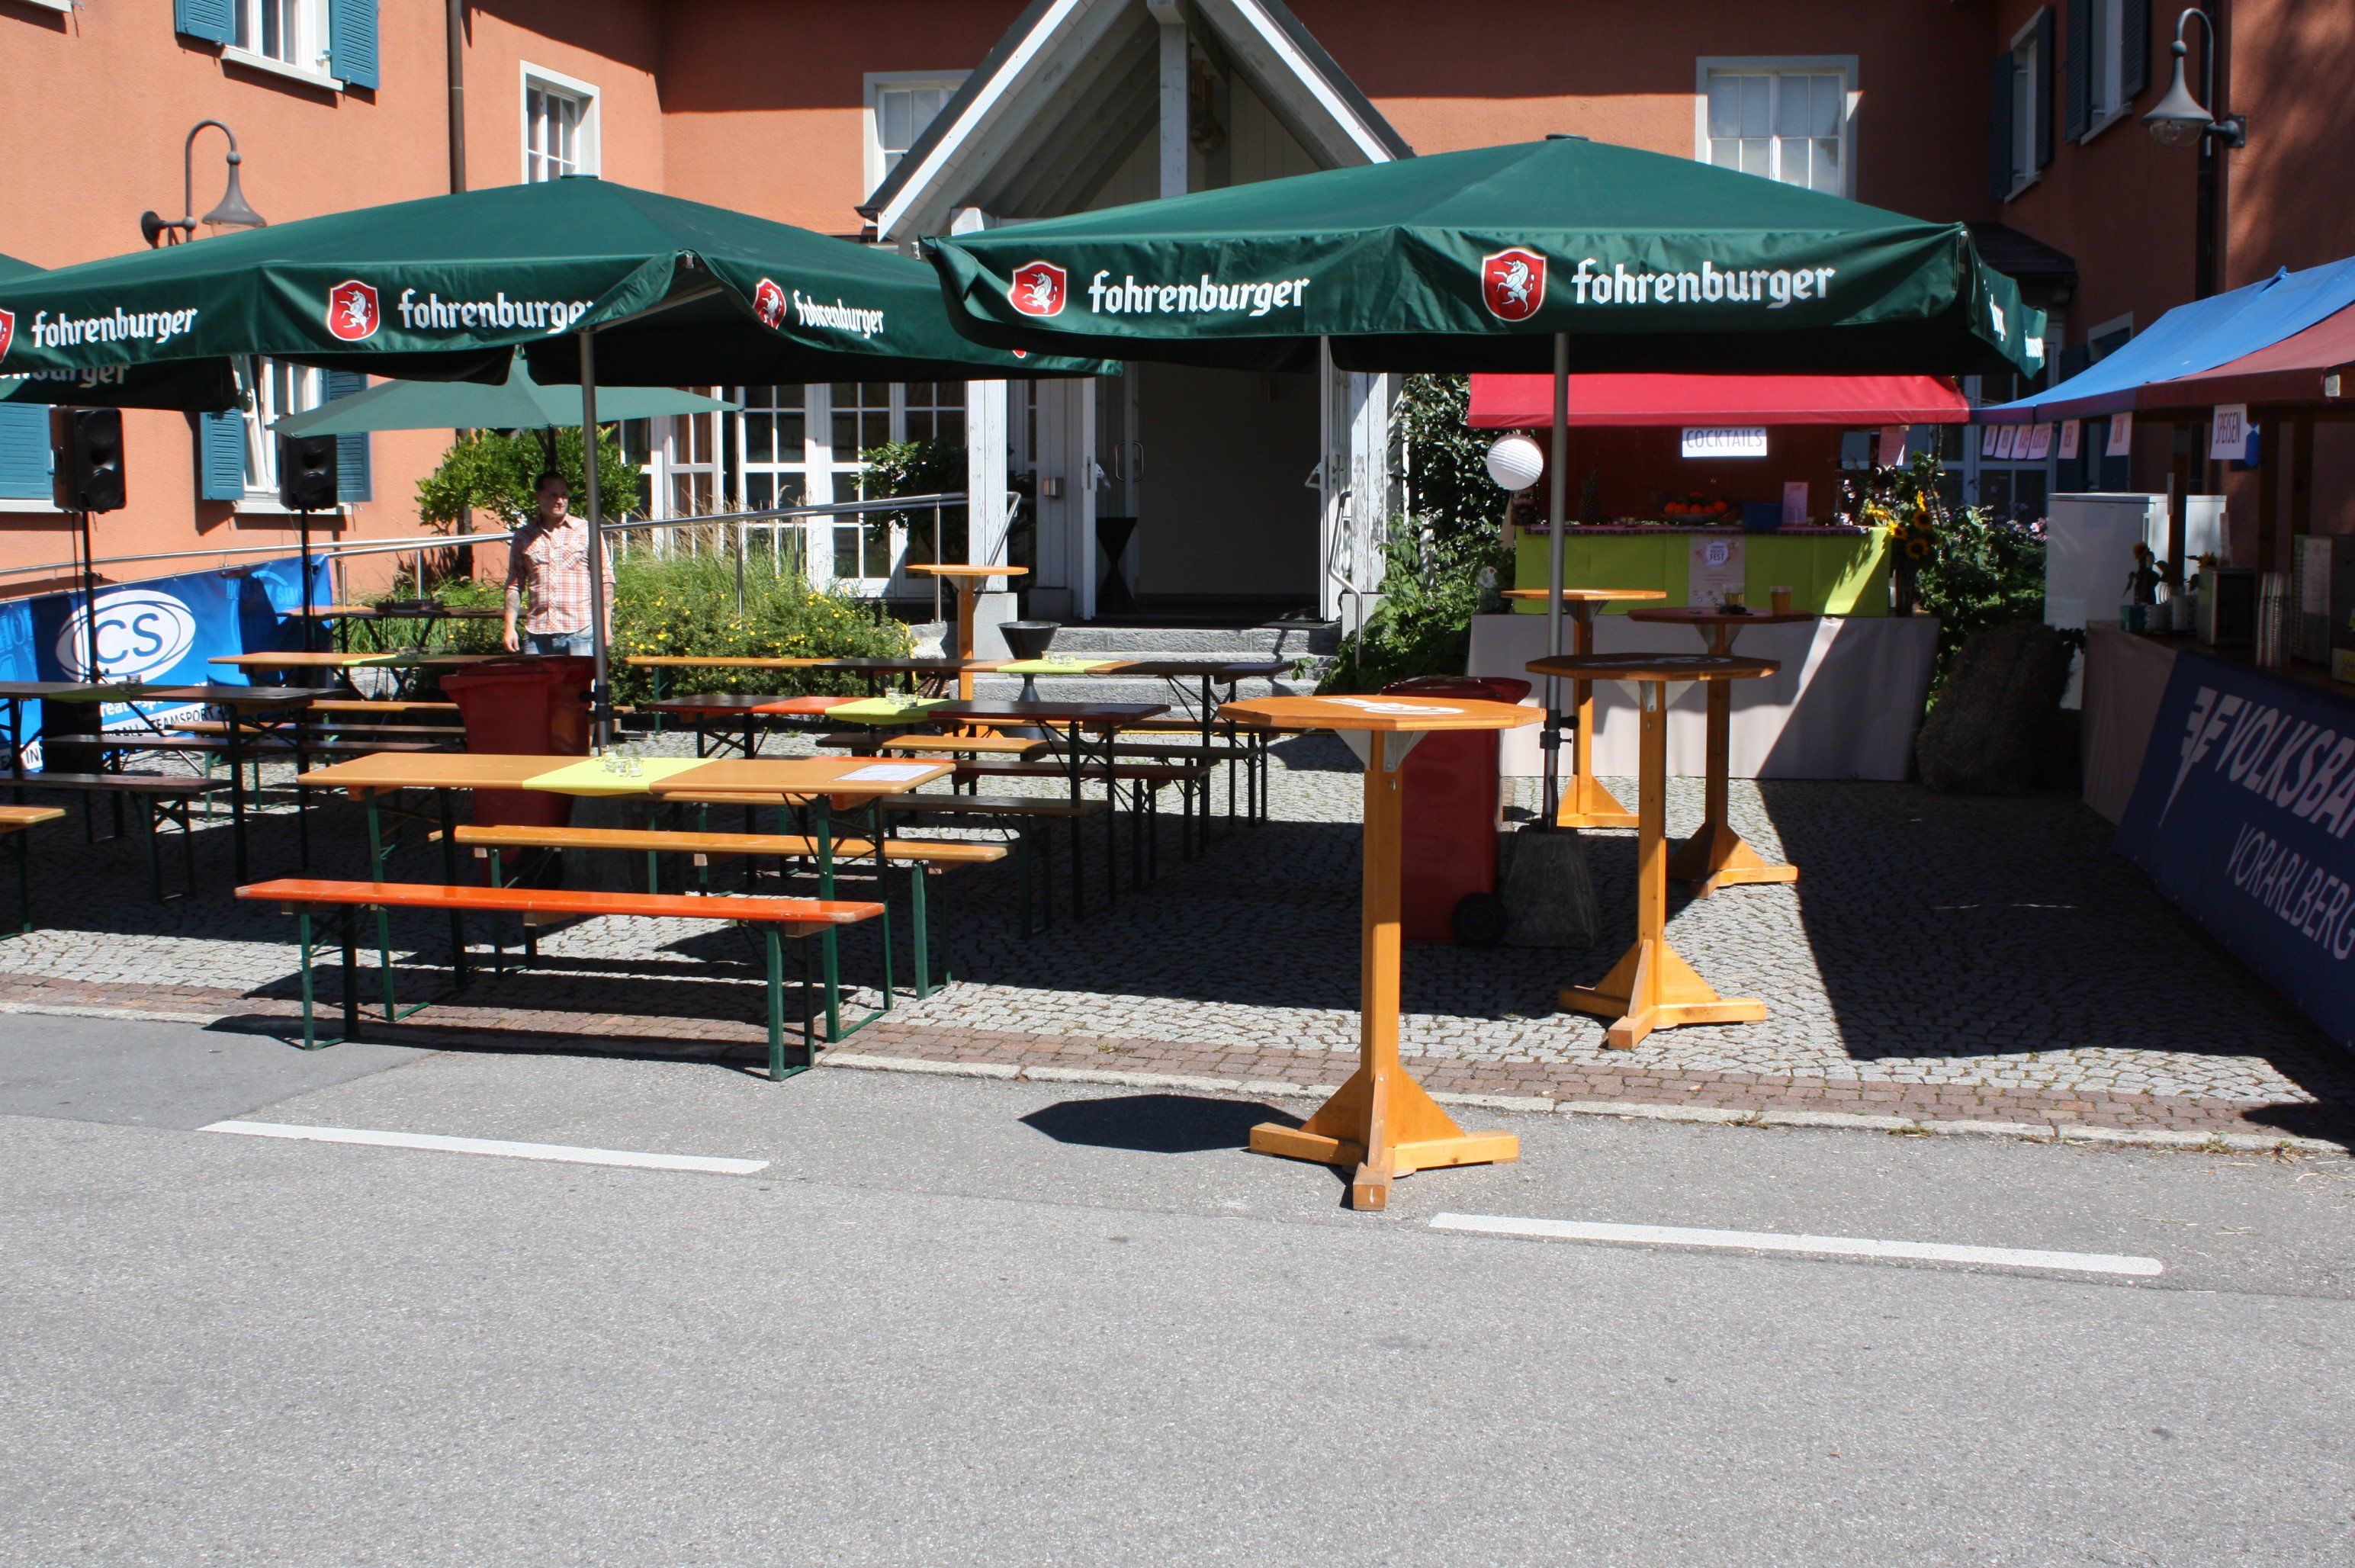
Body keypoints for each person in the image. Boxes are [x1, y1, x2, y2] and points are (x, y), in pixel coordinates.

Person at [503, 470, 614, 655]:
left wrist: (606, 626)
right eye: (553, 495)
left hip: (580, 632)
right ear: (538, 497)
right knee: (536, 677)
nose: (560, 501)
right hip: (538, 634)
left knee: (581, 676)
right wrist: (509, 627)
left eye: (564, 495)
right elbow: (515, 584)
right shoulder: (524, 537)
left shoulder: (587, 531)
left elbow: (605, 579)